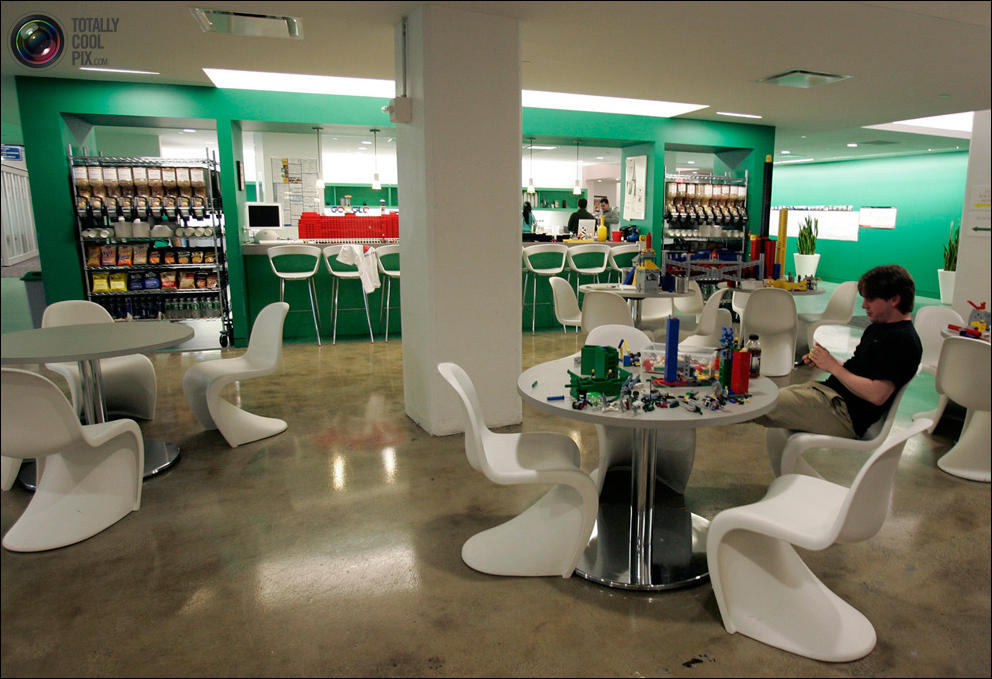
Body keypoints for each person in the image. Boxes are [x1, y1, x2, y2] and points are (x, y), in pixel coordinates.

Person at [753, 264, 922, 439]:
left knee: (754, 403)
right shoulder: (878, 329)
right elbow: (860, 372)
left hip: (842, 413)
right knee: (756, 397)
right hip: (828, 396)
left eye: (870, 299)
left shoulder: (903, 341)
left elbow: (877, 394)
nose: (864, 305)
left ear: (894, 300)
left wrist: (833, 366)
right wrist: (825, 361)